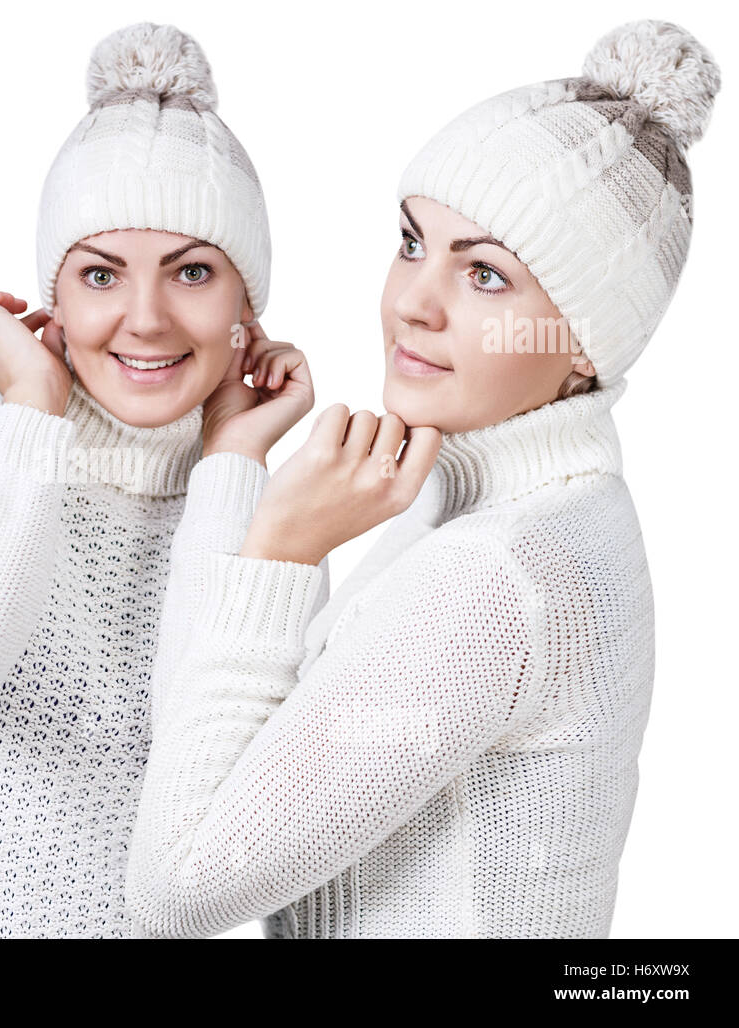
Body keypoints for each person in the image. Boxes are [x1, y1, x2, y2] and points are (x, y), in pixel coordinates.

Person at [125, 19, 720, 938]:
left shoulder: (499, 574)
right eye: (412, 242)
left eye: (485, 275)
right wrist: (243, 475)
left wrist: (280, 550)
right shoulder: (505, 505)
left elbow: (176, 891)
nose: (411, 301)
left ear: (587, 341)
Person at [0, 22, 312, 937]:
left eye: (192, 272)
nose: (144, 319)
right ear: (56, 297)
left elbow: (209, 784)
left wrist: (233, 459)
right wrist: (32, 409)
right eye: (102, 274)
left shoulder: (259, 510)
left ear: (247, 311)